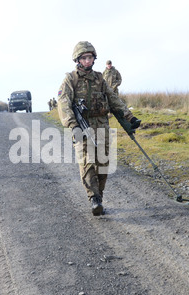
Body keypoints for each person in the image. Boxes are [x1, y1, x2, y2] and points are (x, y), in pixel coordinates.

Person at [57, 41, 140, 216]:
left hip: (101, 125)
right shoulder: (70, 79)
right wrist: (73, 125)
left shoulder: (100, 79)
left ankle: (99, 197)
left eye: (90, 57)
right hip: (81, 126)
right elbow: (63, 104)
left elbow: (113, 99)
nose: (88, 61)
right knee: (87, 163)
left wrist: (129, 117)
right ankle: (93, 198)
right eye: (84, 58)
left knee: (103, 163)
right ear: (78, 60)